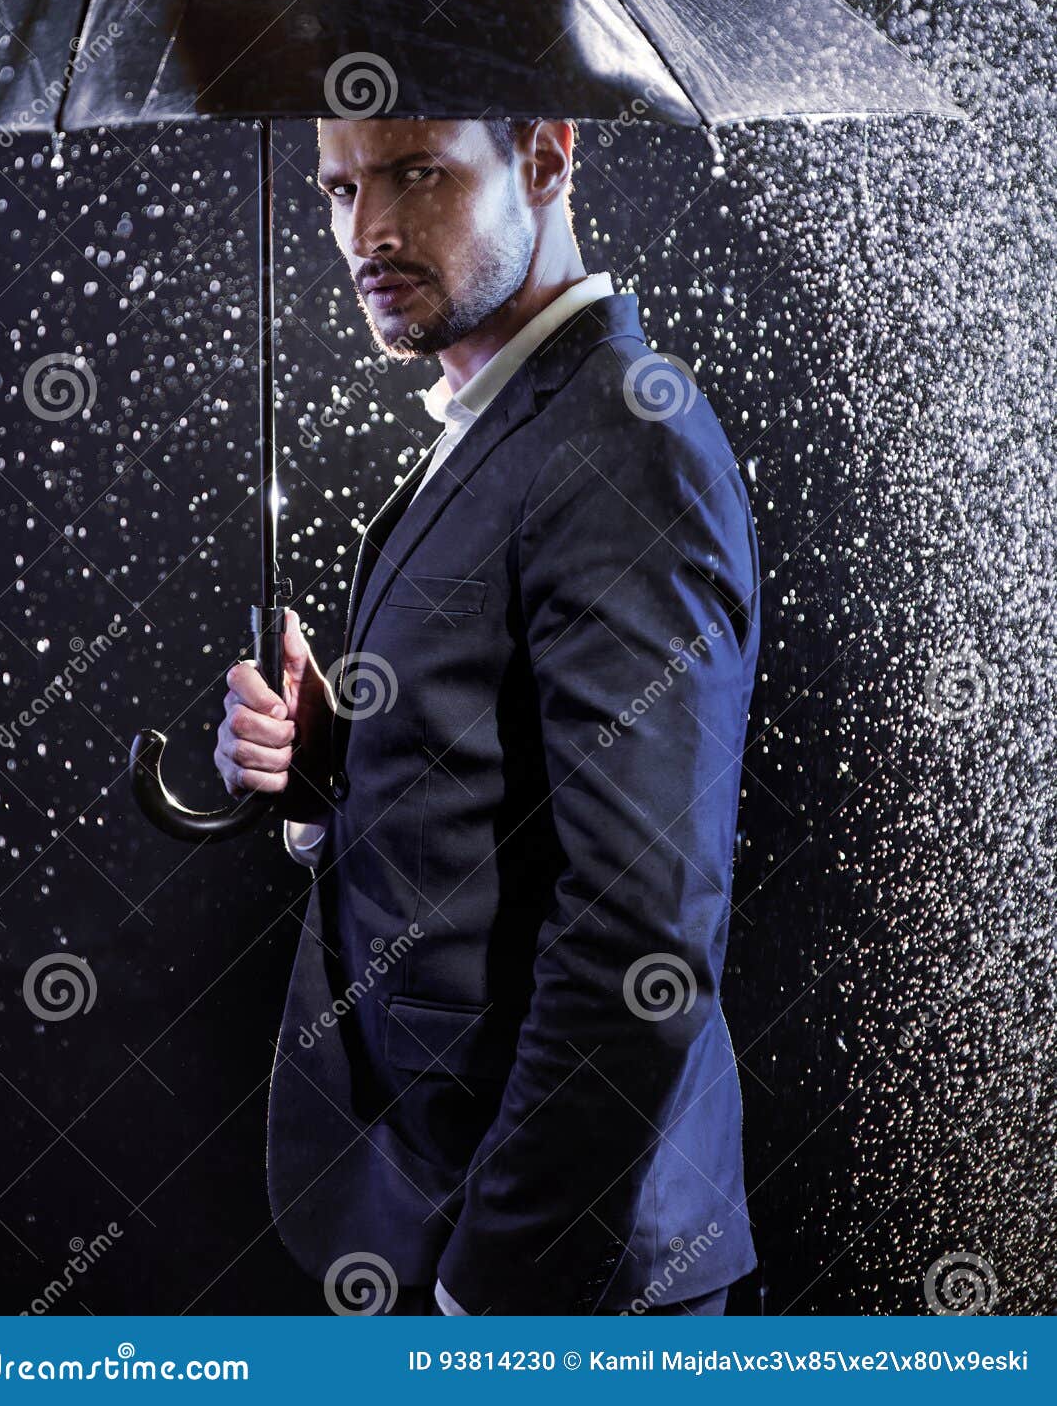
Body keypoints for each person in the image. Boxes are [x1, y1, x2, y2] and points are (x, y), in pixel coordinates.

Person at [215, 117, 761, 1316]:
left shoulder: (626, 447)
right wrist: (328, 775)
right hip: (435, 1209)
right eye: (340, 185)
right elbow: (488, 794)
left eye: (417, 173)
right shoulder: (504, 423)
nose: (369, 230)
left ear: (548, 157)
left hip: (571, 1274)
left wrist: (501, 1288)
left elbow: (644, 932)